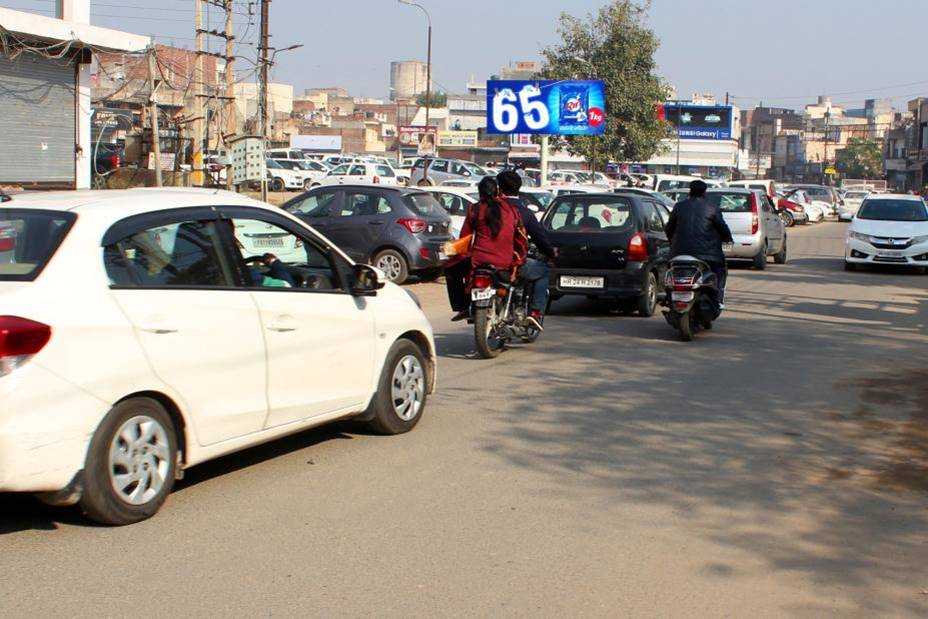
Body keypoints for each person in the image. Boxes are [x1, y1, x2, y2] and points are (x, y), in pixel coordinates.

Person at [444, 176, 521, 322]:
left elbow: (465, 239)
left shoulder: (475, 209)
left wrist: (453, 253)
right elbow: (520, 238)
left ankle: (462, 307)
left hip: (478, 261)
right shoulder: (511, 210)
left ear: (480, 193)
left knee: (450, 269)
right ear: (498, 191)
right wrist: (518, 260)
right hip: (504, 262)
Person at [497, 170, 556, 330]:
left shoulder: (488, 209)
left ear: (499, 189)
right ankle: (534, 312)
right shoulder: (524, 212)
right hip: (512, 261)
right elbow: (540, 238)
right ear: (518, 188)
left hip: (484, 260)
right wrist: (551, 254)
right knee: (543, 271)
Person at [664, 180, 733, 308]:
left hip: (678, 252)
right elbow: (723, 229)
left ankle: (667, 296)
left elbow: (669, 229)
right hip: (708, 255)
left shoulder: (679, 206)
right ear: (704, 192)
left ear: (690, 191)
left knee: (670, 270)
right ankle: (718, 299)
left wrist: (672, 242)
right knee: (720, 270)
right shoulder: (712, 208)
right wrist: (728, 239)